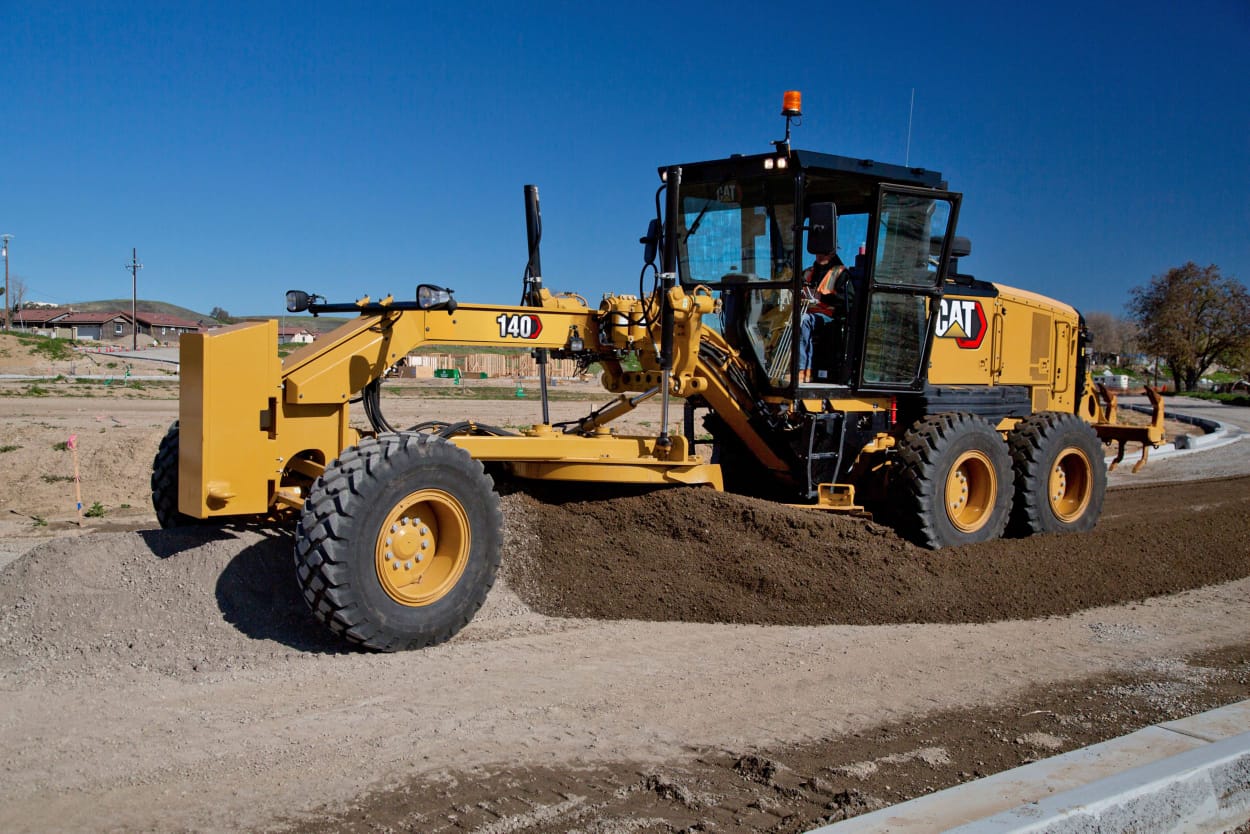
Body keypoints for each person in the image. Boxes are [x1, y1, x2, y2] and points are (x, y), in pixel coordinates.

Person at [798, 252, 846, 383]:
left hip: (828, 316)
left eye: (824, 253)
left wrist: (823, 298)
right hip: (806, 310)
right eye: (818, 252)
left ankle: (804, 370)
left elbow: (847, 300)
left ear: (832, 253)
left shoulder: (840, 273)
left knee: (802, 321)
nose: (820, 255)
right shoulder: (807, 273)